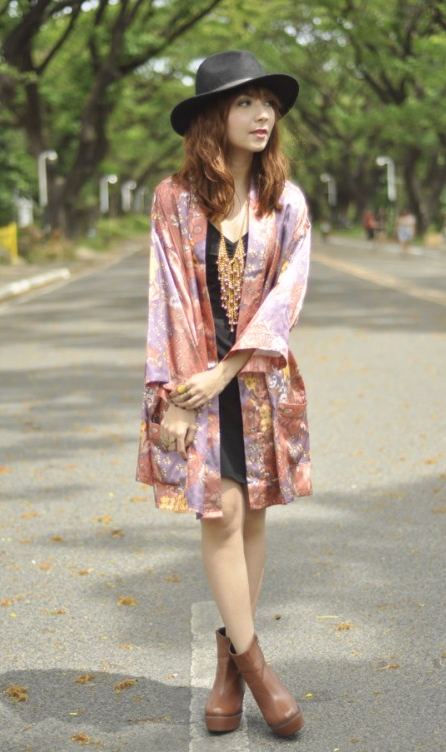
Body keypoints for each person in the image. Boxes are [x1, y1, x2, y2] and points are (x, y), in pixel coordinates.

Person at [136, 50, 311, 738]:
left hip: (257, 381)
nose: (263, 115)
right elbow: (168, 301)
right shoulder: (173, 199)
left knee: (254, 512)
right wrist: (180, 396)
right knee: (221, 515)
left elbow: (285, 299)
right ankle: (259, 672)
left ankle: (228, 668)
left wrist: (227, 370)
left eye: (269, 103)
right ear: (214, 116)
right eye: (245, 102)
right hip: (195, 382)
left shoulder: (285, 201)